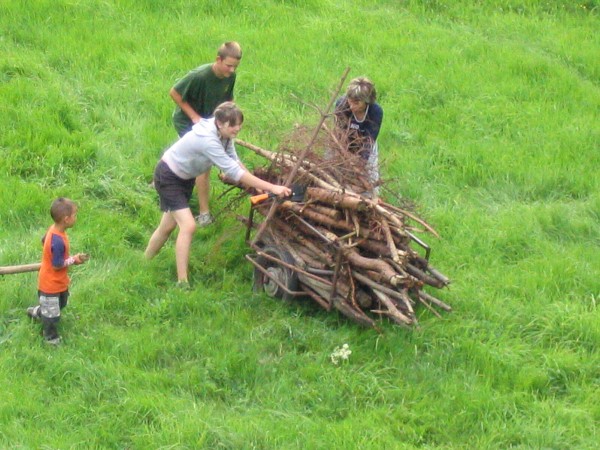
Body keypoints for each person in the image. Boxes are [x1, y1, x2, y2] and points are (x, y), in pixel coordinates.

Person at [145, 102, 291, 288]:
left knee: (167, 227)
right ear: (219, 123)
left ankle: (144, 262)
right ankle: (182, 282)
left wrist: (258, 186)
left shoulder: (224, 135)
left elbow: (234, 160)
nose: (237, 129)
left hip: (185, 178)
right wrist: (272, 188)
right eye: (233, 125)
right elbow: (232, 171)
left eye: (239, 124)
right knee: (188, 226)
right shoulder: (208, 139)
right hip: (169, 177)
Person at [170, 41, 243, 227]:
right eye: (228, 65)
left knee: (184, 154)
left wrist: (232, 120)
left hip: (211, 123)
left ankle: (163, 176)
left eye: (235, 66)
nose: (232, 70)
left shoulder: (229, 76)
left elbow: (228, 100)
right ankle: (204, 213)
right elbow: (174, 93)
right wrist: (194, 117)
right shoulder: (200, 76)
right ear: (218, 59)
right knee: (203, 165)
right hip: (189, 121)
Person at [27, 198, 89, 345]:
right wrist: (74, 259)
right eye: (75, 215)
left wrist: (49, 251)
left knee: (61, 304)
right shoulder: (58, 241)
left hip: (59, 282)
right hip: (50, 285)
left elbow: (44, 240)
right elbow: (57, 265)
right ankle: (51, 338)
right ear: (66, 220)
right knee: (52, 316)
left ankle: (38, 312)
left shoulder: (54, 230)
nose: (76, 217)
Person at [334, 77, 384, 191]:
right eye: (350, 101)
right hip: (342, 144)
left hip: (365, 146)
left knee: (369, 180)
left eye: (356, 103)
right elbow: (339, 133)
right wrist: (344, 156)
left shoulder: (376, 112)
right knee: (336, 174)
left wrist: (360, 164)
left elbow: (369, 140)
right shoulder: (341, 105)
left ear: (367, 102)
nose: (351, 106)